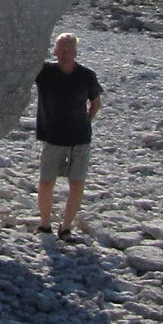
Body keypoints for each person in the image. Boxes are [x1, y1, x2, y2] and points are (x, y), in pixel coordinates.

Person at [34, 32, 102, 236]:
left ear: (75, 52)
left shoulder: (86, 76)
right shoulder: (44, 72)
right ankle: (45, 225)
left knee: (77, 183)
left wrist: (85, 122)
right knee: (46, 182)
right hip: (53, 138)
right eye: (62, 50)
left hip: (80, 139)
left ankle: (66, 227)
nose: (66, 55)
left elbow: (95, 103)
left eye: (70, 51)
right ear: (54, 51)